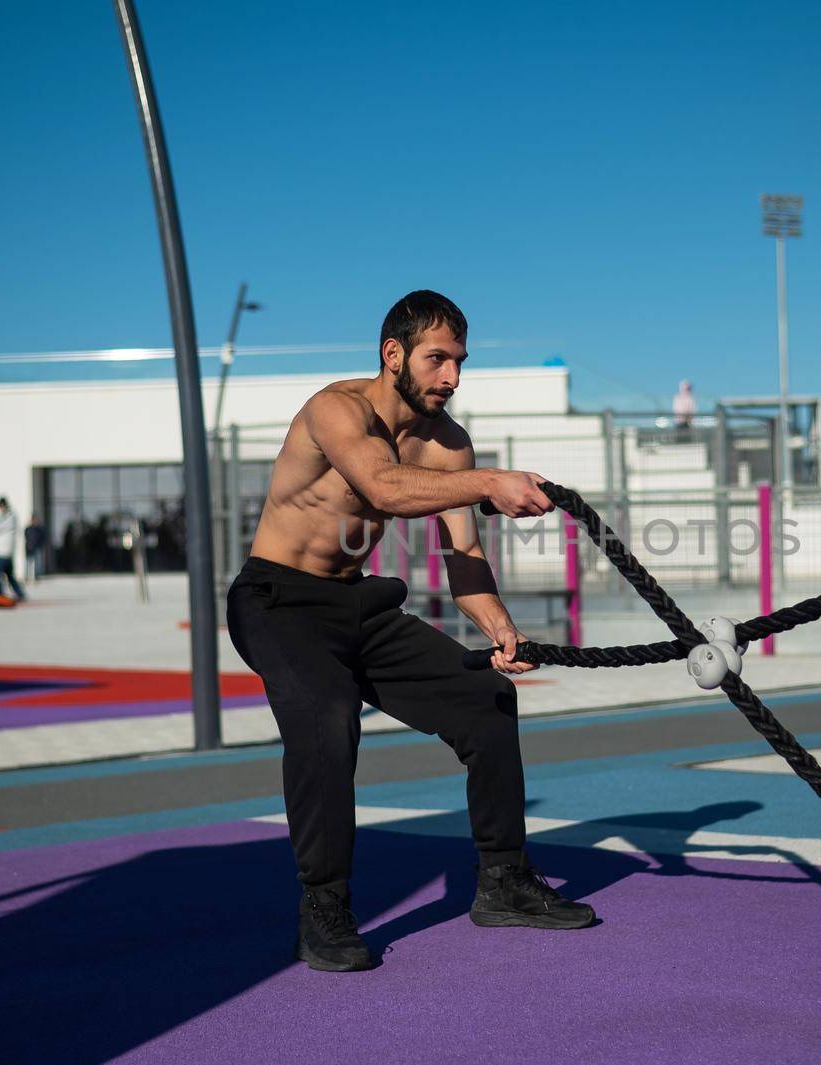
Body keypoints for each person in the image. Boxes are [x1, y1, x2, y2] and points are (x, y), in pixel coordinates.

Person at [225, 290, 594, 973]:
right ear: (392, 354)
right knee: (326, 716)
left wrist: (499, 625)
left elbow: (464, 556)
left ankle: (504, 881)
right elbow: (386, 487)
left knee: (485, 699)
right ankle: (324, 905)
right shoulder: (335, 409)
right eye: (437, 358)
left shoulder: (448, 443)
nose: (451, 376)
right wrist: (491, 482)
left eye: (458, 361)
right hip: (277, 601)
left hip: (355, 604)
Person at [24, 513, 46, 584]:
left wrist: (40, 545)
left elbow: (42, 538)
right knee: (27, 564)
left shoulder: (39, 529)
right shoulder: (28, 528)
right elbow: (26, 537)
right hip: (29, 548)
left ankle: (36, 577)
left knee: (37, 564)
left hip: (37, 548)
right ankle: (27, 577)